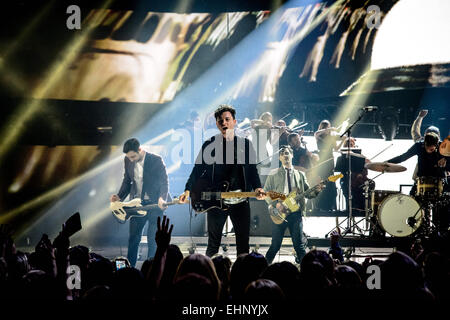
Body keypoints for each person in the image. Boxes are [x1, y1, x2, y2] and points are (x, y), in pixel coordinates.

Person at [179, 105, 266, 257]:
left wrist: (258, 187)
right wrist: (188, 189)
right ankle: (210, 276)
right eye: (220, 121)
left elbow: (252, 170)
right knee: (213, 245)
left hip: (240, 201)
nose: (224, 123)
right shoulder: (210, 144)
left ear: (234, 121)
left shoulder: (245, 144)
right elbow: (197, 170)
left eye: (227, 119)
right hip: (217, 200)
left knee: (243, 245)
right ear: (217, 124)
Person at [110, 138, 169, 267]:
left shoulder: (156, 160)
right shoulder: (127, 160)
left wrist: (161, 198)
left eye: (133, 156)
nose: (131, 159)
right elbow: (127, 181)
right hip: (136, 206)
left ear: (140, 150)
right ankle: (129, 269)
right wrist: (119, 196)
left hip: (154, 206)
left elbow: (164, 181)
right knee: (133, 239)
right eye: (129, 157)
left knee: (153, 240)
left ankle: (152, 270)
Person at [264, 145, 324, 264]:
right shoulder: (273, 174)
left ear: (292, 155)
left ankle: (306, 271)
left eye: (287, 153)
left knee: (299, 246)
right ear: (280, 158)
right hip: (279, 213)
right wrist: (275, 204)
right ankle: (263, 269)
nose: (285, 155)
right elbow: (266, 193)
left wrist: (317, 189)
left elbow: (308, 193)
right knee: (275, 245)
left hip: (295, 213)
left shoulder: (300, 174)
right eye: (282, 154)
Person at [386, 132, 450, 233]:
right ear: (424, 143)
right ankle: (414, 230)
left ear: (437, 144)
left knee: (444, 207)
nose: (429, 150)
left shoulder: (444, 148)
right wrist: (386, 163)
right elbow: (403, 157)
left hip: (439, 183)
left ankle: (442, 231)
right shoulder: (418, 146)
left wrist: (446, 163)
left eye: (432, 149)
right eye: (427, 147)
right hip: (421, 182)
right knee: (412, 203)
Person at [314, 120, 345, 211]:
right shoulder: (318, 135)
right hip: (322, 158)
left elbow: (336, 149)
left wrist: (342, 141)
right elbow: (317, 133)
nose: (327, 129)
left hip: (330, 159)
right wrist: (329, 129)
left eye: (328, 127)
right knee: (322, 180)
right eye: (325, 127)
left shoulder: (331, 137)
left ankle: (330, 205)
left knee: (331, 180)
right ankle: (320, 205)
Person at [334, 137, 371, 214]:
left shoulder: (359, 155)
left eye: (352, 144)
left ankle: (362, 206)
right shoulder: (342, 156)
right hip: (346, 178)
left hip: (358, 180)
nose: (350, 145)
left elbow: (369, 163)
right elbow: (340, 168)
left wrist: (364, 159)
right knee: (345, 184)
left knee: (370, 184)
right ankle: (350, 207)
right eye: (348, 144)